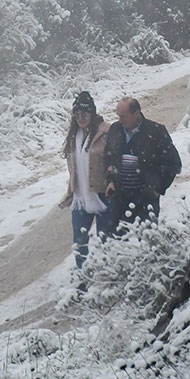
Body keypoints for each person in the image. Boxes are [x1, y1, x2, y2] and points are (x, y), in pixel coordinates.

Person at [104, 96, 182, 226]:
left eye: (123, 116)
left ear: (136, 113)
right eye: (118, 116)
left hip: (146, 199)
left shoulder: (155, 131)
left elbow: (173, 163)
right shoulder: (115, 130)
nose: (120, 120)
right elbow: (109, 157)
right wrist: (111, 180)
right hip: (119, 198)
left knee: (145, 241)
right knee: (118, 242)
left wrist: (157, 189)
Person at [58, 91, 114, 268]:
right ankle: (83, 276)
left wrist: (114, 182)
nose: (80, 118)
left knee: (107, 239)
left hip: (103, 194)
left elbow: (114, 161)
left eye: (84, 114)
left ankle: (110, 275)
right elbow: (74, 169)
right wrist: (70, 191)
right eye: (77, 115)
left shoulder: (107, 132)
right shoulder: (74, 136)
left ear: (92, 113)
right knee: (79, 242)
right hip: (80, 198)